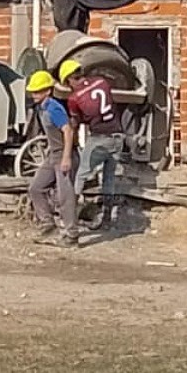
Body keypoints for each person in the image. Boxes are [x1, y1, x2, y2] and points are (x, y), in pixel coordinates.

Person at [60, 59, 125, 233]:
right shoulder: (101, 81)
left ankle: (70, 218)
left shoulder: (74, 98)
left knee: (81, 174)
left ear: (69, 80)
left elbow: (75, 122)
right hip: (118, 135)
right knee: (109, 177)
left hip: (99, 138)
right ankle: (107, 218)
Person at [24, 70, 79, 246]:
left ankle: (71, 235)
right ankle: (48, 224)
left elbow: (68, 130)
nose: (34, 95)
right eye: (33, 91)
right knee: (36, 188)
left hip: (64, 153)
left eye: (38, 91)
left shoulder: (54, 107)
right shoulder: (41, 108)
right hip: (53, 154)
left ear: (48, 91)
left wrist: (66, 158)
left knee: (65, 196)